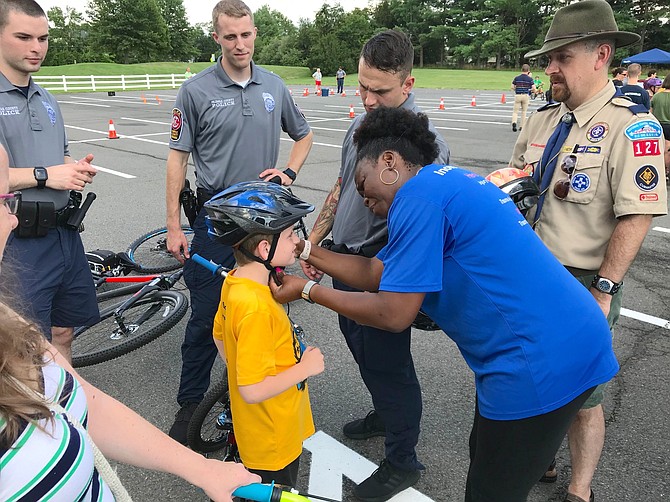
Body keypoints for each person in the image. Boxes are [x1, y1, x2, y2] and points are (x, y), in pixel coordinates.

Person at [271, 106, 619, 502]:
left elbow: (393, 313)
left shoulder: (417, 199)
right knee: (485, 457)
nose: (365, 199)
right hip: (570, 336)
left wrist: (306, 291)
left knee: (491, 492)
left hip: (536, 359)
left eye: (363, 184)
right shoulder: (444, 182)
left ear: (389, 162)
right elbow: (376, 271)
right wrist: (305, 249)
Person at [0, 144, 261, 502]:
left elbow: (83, 399)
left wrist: (200, 468)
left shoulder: (8, 323)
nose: (14, 216)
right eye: (4, 200)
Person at [509, 1, 668, 501]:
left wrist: (605, 290)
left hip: (583, 283)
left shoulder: (633, 127)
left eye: (561, 57)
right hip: (529, 276)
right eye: (549, 57)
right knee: (530, 373)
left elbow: (637, 214)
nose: (549, 67)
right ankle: (545, 461)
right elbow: (515, 185)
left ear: (601, 55)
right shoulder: (543, 121)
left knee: (582, 393)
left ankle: (580, 490)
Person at [300, 30, 451, 502]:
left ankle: (403, 460)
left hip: (381, 272)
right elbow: (342, 187)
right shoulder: (361, 125)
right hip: (344, 258)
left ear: (407, 83)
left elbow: (418, 236)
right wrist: (316, 242)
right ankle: (386, 414)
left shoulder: (426, 148)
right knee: (361, 348)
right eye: (362, 86)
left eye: (379, 90)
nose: (366, 98)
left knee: (390, 365)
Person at [165, 0, 313, 445]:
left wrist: (288, 173)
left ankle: (253, 391)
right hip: (216, 217)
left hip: (265, 218)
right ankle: (191, 402)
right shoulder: (195, 91)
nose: (240, 43)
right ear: (217, 37)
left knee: (266, 309)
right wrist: (173, 224)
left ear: (254, 33)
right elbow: (178, 158)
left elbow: (303, 135)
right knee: (209, 310)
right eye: (230, 36)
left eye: (246, 34)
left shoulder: (273, 85)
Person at [203, 181, 324, 487]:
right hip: (273, 437)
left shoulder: (235, 282)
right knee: (278, 490)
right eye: (290, 234)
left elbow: (220, 336)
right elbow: (253, 391)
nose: (297, 241)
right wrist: (304, 369)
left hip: (255, 427)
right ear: (264, 249)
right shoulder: (256, 307)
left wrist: (244, 364)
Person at [0, 0, 99, 362]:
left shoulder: (46, 98)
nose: (36, 47)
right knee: (23, 346)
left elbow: (60, 156)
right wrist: (46, 175)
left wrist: (74, 168)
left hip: (64, 234)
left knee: (64, 331)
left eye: (43, 38)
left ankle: (62, 411)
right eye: (24, 36)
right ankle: (30, 416)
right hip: (17, 243)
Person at [650, 74, 670, 183]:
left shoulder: (657, 96)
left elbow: (650, 112)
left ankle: (663, 171)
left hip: (660, 125)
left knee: (664, 149)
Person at [511, 64, 535, 132]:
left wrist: (516, 88)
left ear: (522, 70)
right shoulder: (529, 79)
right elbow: (533, 88)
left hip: (518, 95)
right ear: (528, 71)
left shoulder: (517, 78)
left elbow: (512, 87)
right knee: (524, 111)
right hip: (525, 95)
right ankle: (522, 126)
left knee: (515, 111)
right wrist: (530, 90)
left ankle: (514, 122)